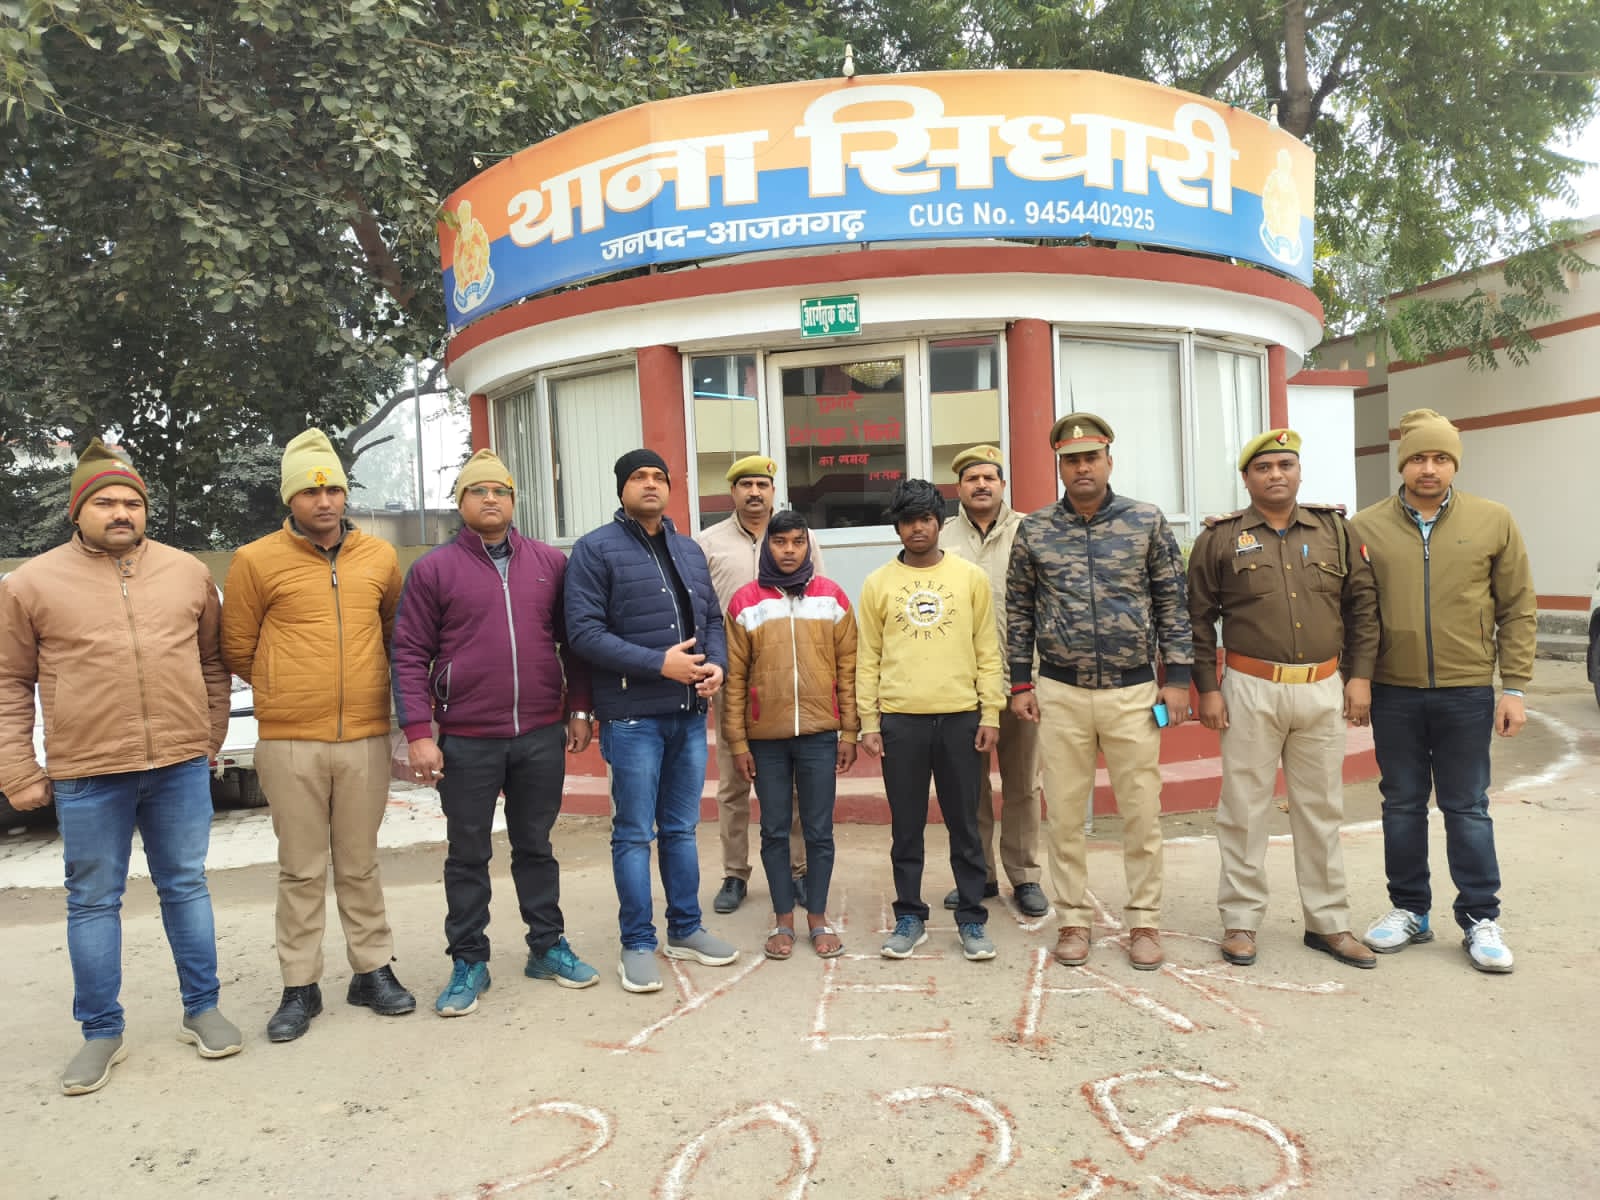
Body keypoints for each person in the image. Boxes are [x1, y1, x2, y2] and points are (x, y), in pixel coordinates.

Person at [0, 440, 240, 1094]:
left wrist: (209, 734)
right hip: (87, 771)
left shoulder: (187, 572)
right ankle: (101, 1031)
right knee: (92, 900)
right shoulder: (30, 584)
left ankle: (202, 1009)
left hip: (178, 766)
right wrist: (18, 768)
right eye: (104, 502)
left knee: (185, 886)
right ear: (77, 511)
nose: (120, 512)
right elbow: (10, 681)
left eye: (131, 502)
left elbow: (213, 662)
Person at [391, 450, 600, 1017]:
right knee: (468, 853)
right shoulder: (433, 570)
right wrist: (419, 731)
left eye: (500, 491)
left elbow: (574, 642)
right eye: (478, 491)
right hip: (467, 738)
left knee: (536, 846)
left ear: (513, 500)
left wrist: (580, 707)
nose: (490, 499)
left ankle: (547, 946)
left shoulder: (549, 563)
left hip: (539, 732)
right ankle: (468, 960)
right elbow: (408, 653)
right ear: (461, 502)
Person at [222, 429, 414, 1041]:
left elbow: (396, 633)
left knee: (360, 863)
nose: (324, 500)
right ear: (290, 497)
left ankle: (372, 970)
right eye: (310, 491)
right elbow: (237, 646)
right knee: (301, 869)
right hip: (289, 740)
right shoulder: (255, 560)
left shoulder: (380, 557)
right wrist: (286, 687)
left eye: (333, 489)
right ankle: (299, 986)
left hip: (364, 735)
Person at [1350, 409, 1534, 973]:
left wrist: (1515, 687)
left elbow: (1517, 607)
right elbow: (1356, 611)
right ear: (1402, 464)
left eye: (1439, 458)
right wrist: (1358, 677)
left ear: (1454, 464)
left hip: (1466, 690)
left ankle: (1480, 917)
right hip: (1394, 691)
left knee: (1467, 806)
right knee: (1401, 804)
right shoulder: (1366, 527)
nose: (1428, 468)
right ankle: (1410, 909)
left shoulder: (1493, 520)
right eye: (1417, 458)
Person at [1187, 428, 1379, 970]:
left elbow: (1362, 606)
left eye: (1285, 465)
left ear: (1299, 472)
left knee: (1321, 810)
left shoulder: (1335, 531)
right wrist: (1207, 687)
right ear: (1247, 479)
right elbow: (1197, 618)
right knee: (1243, 809)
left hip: (1323, 686)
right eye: (1264, 467)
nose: (1276, 475)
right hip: (1250, 689)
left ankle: (1328, 922)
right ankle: (1241, 920)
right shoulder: (1220, 539)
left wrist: (1360, 677)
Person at [1006, 414, 1192, 971]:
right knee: (1064, 815)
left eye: (1091, 457)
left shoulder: (1145, 521)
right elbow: (1019, 610)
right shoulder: (1036, 530)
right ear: (1060, 467)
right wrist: (1020, 682)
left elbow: (1172, 601)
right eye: (1071, 460)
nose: (1082, 468)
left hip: (1133, 692)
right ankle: (1073, 920)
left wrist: (1178, 679)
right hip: (1060, 690)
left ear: (1109, 460)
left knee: (1142, 813)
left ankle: (1144, 921)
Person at [564, 449, 740, 993]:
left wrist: (716, 665)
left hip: (687, 716)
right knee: (635, 834)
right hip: (632, 718)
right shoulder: (595, 550)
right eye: (638, 477)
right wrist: (658, 664)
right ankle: (637, 942)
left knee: (681, 830)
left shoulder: (689, 550)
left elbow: (711, 619)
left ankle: (685, 928)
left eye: (658, 477)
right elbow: (583, 633)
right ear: (622, 489)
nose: (650, 484)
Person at [858, 478, 1005, 963]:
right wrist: (869, 722)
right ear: (897, 528)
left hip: (961, 717)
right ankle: (910, 916)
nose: (917, 528)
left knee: (965, 824)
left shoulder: (969, 578)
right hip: (901, 721)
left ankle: (971, 918)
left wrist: (990, 712)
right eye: (907, 521)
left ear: (939, 523)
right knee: (907, 827)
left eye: (925, 519)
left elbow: (987, 650)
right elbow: (868, 657)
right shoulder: (878, 584)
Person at [723, 510, 858, 959]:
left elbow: (849, 670)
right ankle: (783, 918)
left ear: (808, 546)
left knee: (819, 830)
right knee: (774, 830)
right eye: (780, 542)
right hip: (766, 739)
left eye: (798, 542)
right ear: (768, 546)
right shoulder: (745, 602)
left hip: (820, 734)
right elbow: (734, 681)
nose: (789, 550)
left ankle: (817, 917)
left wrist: (849, 731)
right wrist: (738, 741)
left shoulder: (832, 597)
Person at [694, 455, 816, 915]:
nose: (754, 492)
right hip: (733, 677)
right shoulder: (708, 543)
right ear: (733, 492)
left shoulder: (797, 537)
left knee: (795, 783)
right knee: (732, 783)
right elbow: (702, 610)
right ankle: (735, 873)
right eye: (745, 484)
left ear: (772, 490)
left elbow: (817, 595)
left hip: (789, 676)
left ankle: (799, 870)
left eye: (762, 484)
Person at [938, 444, 1046, 918]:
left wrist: (1037, 677)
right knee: (970, 789)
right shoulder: (941, 538)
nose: (981, 485)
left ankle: (1025, 876)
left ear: (1003, 484)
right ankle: (977, 874)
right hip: (962, 687)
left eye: (989, 477)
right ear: (958, 487)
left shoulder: (1032, 532)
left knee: (1023, 785)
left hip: (1023, 683)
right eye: (971, 478)